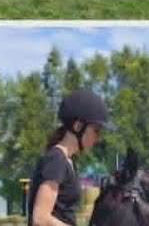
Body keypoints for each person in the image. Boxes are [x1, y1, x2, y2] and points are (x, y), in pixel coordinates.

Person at [27, 88, 110, 226]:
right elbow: (40, 218)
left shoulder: (68, 161)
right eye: (96, 130)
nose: (98, 137)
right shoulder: (56, 160)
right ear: (78, 126)